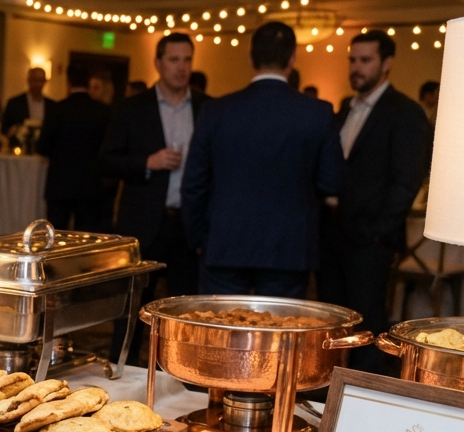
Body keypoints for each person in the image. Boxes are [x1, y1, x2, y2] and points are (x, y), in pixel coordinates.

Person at [182, 22, 342, 298]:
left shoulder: (216, 111)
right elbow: (332, 180)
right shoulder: (318, 113)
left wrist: (199, 239)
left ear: (250, 57)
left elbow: (194, 183)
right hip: (288, 247)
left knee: (222, 333)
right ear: (292, 58)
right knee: (281, 334)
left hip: (225, 243)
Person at [317, 30, 430, 371]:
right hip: (332, 234)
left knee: (368, 323)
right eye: (352, 59)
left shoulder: (405, 112)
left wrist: (379, 231)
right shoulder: (342, 110)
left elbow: (407, 179)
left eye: (365, 60)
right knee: (332, 320)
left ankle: (364, 397)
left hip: (370, 240)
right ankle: (327, 396)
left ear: (387, 64)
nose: (356, 67)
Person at [100, 32, 209, 298]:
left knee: (186, 308)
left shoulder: (207, 108)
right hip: (144, 224)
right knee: (134, 306)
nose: (182, 67)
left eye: (187, 60)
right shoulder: (132, 108)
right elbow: (106, 162)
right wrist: (148, 162)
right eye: (174, 59)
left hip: (188, 225)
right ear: (158, 63)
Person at [39, 63, 113, 232]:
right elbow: (108, 148)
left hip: (60, 184)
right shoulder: (103, 111)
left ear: (68, 82)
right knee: (86, 236)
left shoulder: (57, 110)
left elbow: (43, 147)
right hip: (91, 185)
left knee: (56, 236)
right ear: (88, 83)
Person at [2, 67, 55, 137]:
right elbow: (4, 128)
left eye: (41, 81)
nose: (38, 84)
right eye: (35, 80)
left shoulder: (52, 105)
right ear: (29, 80)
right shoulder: (14, 104)